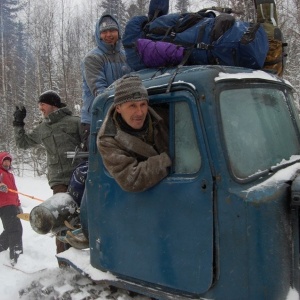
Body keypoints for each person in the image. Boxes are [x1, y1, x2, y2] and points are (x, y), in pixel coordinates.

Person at [13, 90, 84, 258]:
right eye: (39, 105)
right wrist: (18, 122)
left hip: (80, 178)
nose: (40, 108)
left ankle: (91, 262)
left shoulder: (75, 122)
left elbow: (90, 144)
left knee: (86, 219)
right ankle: (64, 264)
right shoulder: (42, 128)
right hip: (59, 181)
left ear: (53, 104)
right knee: (60, 223)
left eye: (42, 104)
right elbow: (23, 143)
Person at [97, 74, 172, 192]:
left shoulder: (163, 117)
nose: (140, 112)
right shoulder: (108, 139)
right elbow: (131, 179)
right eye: (132, 106)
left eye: (143, 104)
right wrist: (169, 159)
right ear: (118, 108)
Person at [81, 14, 131, 150]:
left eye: (112, 30)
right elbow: (100, 91)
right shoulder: (93, 58)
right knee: (99, 164)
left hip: (122, 115)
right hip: (97, 119)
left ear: (118, 32)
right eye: (104, 32)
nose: (109, 34)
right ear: (99, 35)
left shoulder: (126, 56)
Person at [0, 152, 23, 266]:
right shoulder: (0, 173)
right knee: (16, 229)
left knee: (10, 229)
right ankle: (16, 257)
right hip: (4, 205)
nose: (7, 162)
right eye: (5, 160)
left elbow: (15, 192)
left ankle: (0, 249)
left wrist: (18, 205)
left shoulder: (10, 174)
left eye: (9, 160)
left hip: (12, 205)